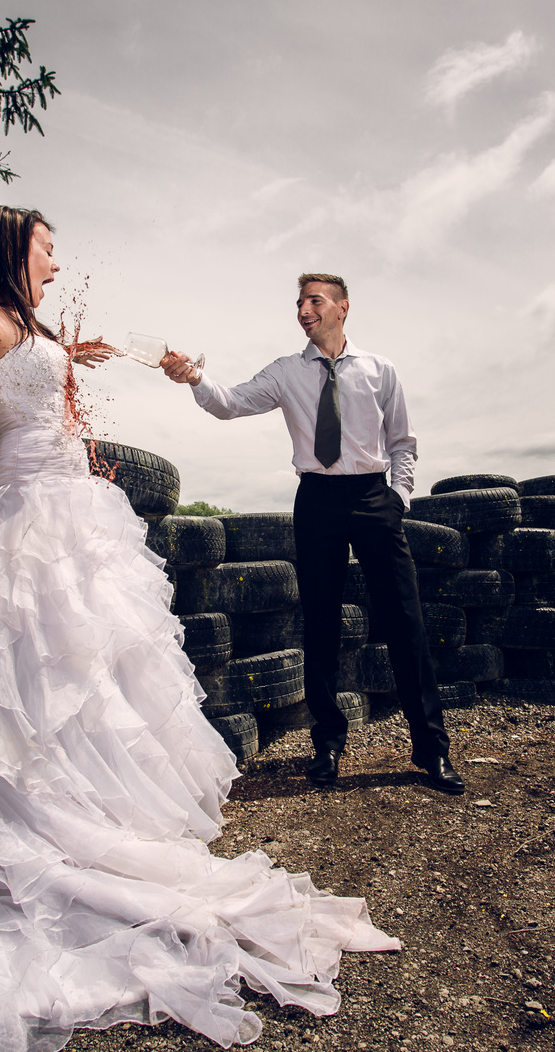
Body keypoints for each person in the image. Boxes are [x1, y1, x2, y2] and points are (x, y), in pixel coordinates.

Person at [0, 210, 398, 1052]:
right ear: (16, 249)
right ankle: (27, 816)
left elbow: (25, 371)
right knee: (21, 670)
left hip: (75, 503)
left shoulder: (25, 326)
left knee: (80, 669)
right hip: (23, 510)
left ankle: (78, 800)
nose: (56, 261)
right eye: (47, 248)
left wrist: (69, 355)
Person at [161, 275, 465, 796]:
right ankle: (327, 746)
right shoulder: (286, 372)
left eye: (314, 301)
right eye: (299, 302)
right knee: (320, 622)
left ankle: (431, 749)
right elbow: (229, 402)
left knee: (405, 621)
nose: (303, 310)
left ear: (343, 308)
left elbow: (403, 442)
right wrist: (194, 378)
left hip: (374, 499)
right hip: (318, 500)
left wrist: (398, 498)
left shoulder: (380, 370)